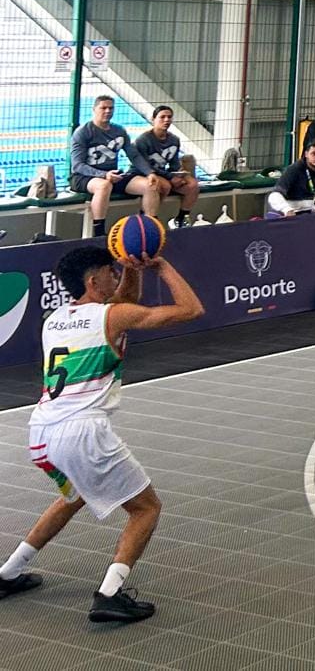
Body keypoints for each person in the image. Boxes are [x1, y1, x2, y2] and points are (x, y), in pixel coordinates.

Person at [0, 247, 204, 621]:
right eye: (110, 272)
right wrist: (161, 266)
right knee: (145, 509)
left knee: (73, 498)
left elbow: (119, 306)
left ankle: (7, 573)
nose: (115, 277)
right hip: (82, 434)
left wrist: (129, 268)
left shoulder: (55, 319)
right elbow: (191, 310)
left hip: (42, 434)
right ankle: (110, 594)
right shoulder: (112, 315)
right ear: (93, 282)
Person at [69, 96, 164, 237]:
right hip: (84, 177)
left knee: (150, 185)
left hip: (113, 174)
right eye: (103, 108)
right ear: (94, 109)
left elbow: (134, 155)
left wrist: (150, 173)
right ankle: (99, 231)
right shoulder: (83, 132)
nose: (107, 111)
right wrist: (103, 175)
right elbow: (77, 165)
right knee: (104, 186)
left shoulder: (119, 131)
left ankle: (148, 227)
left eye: (111, 108)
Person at [133, 105, 199, 228]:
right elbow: (144, 165)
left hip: (163, 173)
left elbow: (174, 163)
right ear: (153, 119)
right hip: (144, 173)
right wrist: (170, 176)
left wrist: (180, 174)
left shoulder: (174, 140)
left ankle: (181, 219)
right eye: (162, 117)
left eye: (169, 117)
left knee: (192, 184)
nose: (166, 120)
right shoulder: (143, 140)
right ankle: (147, 217)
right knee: (164, 185)